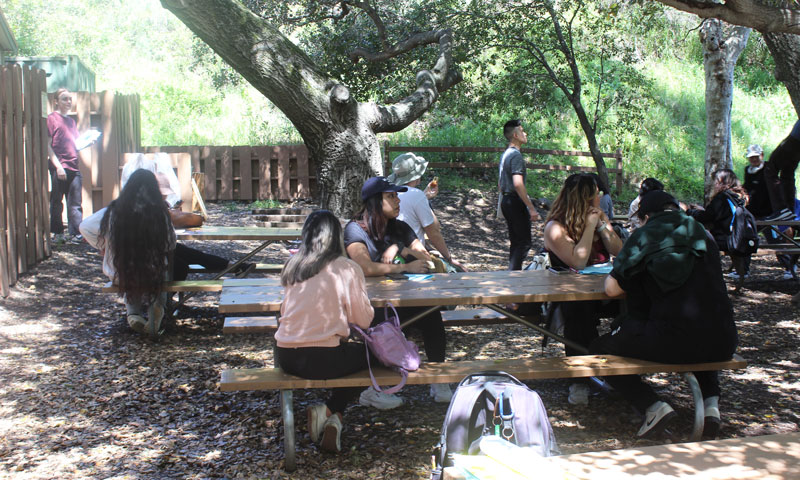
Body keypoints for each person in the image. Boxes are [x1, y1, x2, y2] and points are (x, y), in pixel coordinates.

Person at [590, 190, 738, 439]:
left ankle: (652, 406)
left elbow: (612, 289)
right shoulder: (703, 233)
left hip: (672, 340)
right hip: (724, 339)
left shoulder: (645, 235)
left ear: (646, 216)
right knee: (699, 330)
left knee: (598, 350)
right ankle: (711, 406)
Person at [344, 177, 452, 409]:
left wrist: (400, 248)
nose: (397, 200)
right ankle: (374, 389)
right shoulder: (355, 230)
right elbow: (365, 268)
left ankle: (439, 381)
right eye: (391, 196)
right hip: (369, 306)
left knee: (432, 314)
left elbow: (426, 258)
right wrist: (404, 267)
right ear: (374, 202)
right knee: (380, 326)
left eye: (397, 195)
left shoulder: (400, 227)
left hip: (405, 301)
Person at [274, 210, 375, 453]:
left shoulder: (293, 266)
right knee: (374, 356)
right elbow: (363, 320)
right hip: (326, 357)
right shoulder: (346, 267)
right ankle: (331, 410)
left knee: (347, 357)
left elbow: (284, 312)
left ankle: (335, 418)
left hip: (286, 356)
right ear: (336, 237)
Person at [80, 169, 175, 334]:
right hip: (152, 273)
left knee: (129, 271)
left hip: (119, 273)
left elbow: (85, 227)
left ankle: (133, 314)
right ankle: (157, 309)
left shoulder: (114, 211)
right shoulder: (159, 213)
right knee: (161, 275)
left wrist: (103, 245)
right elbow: (170, 244)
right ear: (154, 189)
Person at [543, 173, 623, 356]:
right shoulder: (555, 227)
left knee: (636, 301)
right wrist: (589, 226)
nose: (600, 197)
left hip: (604, 289)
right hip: (571, 294)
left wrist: (602, 226)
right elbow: (578, 262)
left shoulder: (598, 216)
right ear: (586, 198)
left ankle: (621, 363)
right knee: (579, 311)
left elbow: (619, 251)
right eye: (597, 193)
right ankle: (581, 375)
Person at [387, 152, 465, 271]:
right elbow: (434, 232)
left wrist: (425, 197)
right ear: (416, 175)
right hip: (413, 258)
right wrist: (449, 259)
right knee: (457, 272)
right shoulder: (416, 195)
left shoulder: (390, 194)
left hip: (393, 255)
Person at [744, 145, 798, 279]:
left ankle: (789, 269)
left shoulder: (768, 169)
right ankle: (743, 270)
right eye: (752, 157)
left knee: (776, 241)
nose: (754, 159)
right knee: (745, 239)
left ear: (761, 155)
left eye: (756, 156)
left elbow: (778, 187)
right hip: (753, 213)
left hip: (769, 213)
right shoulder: (748, 170)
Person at [687, 169, 751, 279]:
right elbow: (721, 214)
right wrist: (703, 210)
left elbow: (706, 218)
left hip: (727, 240)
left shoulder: (722, 198)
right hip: (740, 238)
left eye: (716, 181)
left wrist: (688, 211)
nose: (715, 184)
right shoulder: (739, 197)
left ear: (723, 182)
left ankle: (701, 275)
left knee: (694, 241)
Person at [47, 88, 91, 244]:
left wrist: (88, 142)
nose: (68, 102)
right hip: (59, 166)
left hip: (74, 166)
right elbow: (48, 145)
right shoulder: (51, 119)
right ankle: (57, 233)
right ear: (56, 101)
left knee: (75, 203)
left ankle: (76, 233)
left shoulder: (71, 122)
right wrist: (58, 166)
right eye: (64, 99)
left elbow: (75, 145)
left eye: (70, 99)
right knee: (57, 201)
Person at [499, 119, 540, 270]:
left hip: (507, 201)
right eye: (522, 130)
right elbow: (518, 183)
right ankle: (513, 276)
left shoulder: (505, 154)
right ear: (515, 135)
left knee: (516, 242)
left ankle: (512, 275)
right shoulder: (515, 155)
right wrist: (531, 207)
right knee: (523, 243)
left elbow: (500, 184)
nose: (525, 133)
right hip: (514, 202)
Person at [763, 119, 800, 221]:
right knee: (787, 171)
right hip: (797, 142)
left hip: (795, 139)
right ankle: (789, 210)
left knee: (770, 168)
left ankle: (781, 209)